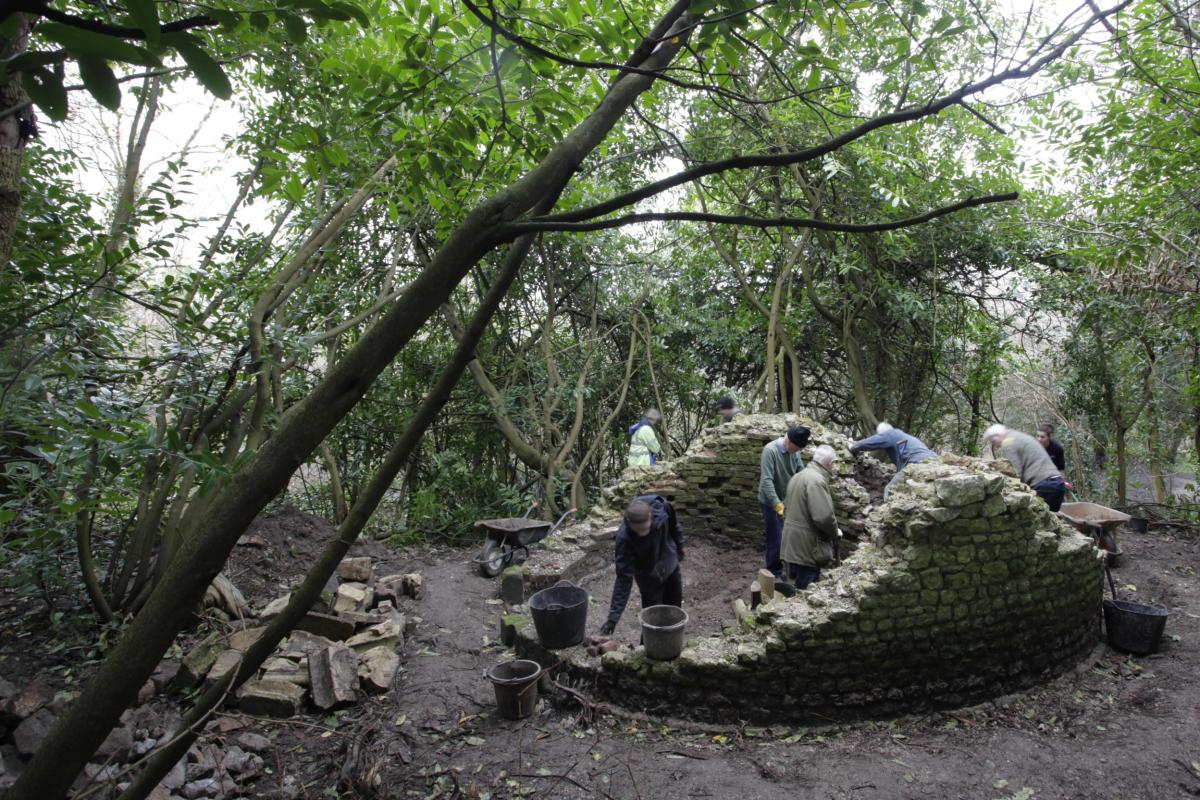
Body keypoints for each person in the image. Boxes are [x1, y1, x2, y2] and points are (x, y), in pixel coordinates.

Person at [599, 496, 685, 635]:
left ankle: (673, 639)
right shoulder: (624, 539)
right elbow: (623, 579)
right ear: (629, 524)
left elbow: (675, 526)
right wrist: (613, 617)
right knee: (652, 616)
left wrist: (680, 546)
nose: (643, 533)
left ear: (651, 517)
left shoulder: (662, 509)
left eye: (646, 529)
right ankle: (647, 644)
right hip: (648, 576)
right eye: (638, 531)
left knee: (674, 609)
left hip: (669, 562)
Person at [781, 444, 840, 589]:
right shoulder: (816, 481)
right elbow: (823, 518)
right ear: (829, 463)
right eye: (833, 464)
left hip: (792, 541)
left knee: (796, 584)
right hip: (807, 546)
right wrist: (834, 532)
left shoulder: (798, 476)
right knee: (807, 589)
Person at [758, 425, 809, 577]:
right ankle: (774, 572)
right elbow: (766, 481)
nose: (797, 452)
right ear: (789, 442)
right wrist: (776, 503)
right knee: (776, 538)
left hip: (787, 500)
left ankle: (794, 570)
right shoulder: (770, 451)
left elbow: (800, 472)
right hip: (770, 501)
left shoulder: (794, 452)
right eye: (796, 449)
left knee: (792, 535)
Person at [984, 424, 1067, 511]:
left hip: (1045, 486)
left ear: (997, 436)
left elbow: (1014, 472)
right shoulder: (1018, 436)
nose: (994, 444)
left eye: (993, 441)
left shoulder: (1008, 441)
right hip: (1057, 484)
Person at [849, 421, 937, 499]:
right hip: (934, 463)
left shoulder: (891, 434)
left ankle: (886, 512)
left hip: (917, 463)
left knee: (890, 490)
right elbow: (903, 465)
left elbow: (871, 442)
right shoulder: (905, 437)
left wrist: (854, 446)